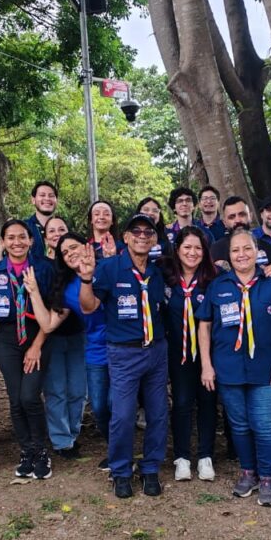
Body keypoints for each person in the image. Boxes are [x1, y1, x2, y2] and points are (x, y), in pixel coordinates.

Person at [198, 230, 271, 507]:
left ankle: (266, 477)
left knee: (263, 425)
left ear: (257, 252)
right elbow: (204, 326)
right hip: (228, 368)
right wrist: (206, 364)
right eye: (236, 250)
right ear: (229, 256)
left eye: (247, 249)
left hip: (266, 369)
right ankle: (248, 472)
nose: (242, 254)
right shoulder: (218, 285)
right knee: (239, 425)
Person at [79, 213, 170, 498]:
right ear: (126, 237)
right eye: (136, 232)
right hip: (123, 353)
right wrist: (84, 278)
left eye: (148, 232)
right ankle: (120, 470)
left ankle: (151, 468)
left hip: (156, 351)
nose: (142, 236)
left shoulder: (157, 272)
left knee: (157, 413)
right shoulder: (109, 268)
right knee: (122, 415)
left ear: (153, 239)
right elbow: (89, 306)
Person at [27, 232, 111, 468]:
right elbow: (48, 324)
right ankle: (110, 445)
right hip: (95, 350)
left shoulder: (108, 269)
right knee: (100, 406)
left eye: (74, 247)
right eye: (64, 252)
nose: (70, 253)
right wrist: (33, 292)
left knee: (116, 404)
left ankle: (119, 451)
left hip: (123, 347)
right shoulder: (66, 288)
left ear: (86, 246)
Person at [0, 219, 54, 481]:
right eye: (10, 238)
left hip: (38, 334)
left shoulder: (45, 269)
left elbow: (54, 310)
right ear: (3, 241)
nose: (17, 242)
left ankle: (42, 451)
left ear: (31, 240)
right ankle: (27, 451)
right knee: (14, 399)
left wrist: (36, 346)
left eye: (22, 237)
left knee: (29, 397)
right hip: (7, 337)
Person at [162, 226, 219, 482]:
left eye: (198, 248)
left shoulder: (214, 279)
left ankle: (206, 456)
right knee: (182, 402)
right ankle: (182, 457)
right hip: (178, 352)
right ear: (177, 250)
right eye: (187, 247)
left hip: (209, 353)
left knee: (207, 402)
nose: (192, 252)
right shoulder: (166, 277)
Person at [38, 217, 87, 459]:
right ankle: (61, 440)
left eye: (62, 230)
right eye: (52, 231)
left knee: (78, 389)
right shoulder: (44, 266)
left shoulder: (84, 267)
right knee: (56, 390)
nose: (57, 234)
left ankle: (73, 432)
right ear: (46, 238)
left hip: (80, 336)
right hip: (54, 337)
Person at [209, 196, 271, 269]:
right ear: (224, 223)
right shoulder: (216, 249)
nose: (238, 220)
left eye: (242, 214)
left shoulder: (265, 246)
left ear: (250, 217)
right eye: (232, 217)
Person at [25, 181, 59, 262]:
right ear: (33, 200)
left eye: (51, 196)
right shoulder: (23, 228)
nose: (47, 198)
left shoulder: (64, 229)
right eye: (42, 195)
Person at [138, 197, 173, 261]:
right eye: (146, 210)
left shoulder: (165, 239)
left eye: (155, 211)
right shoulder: (130, 237)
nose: (150, 213)